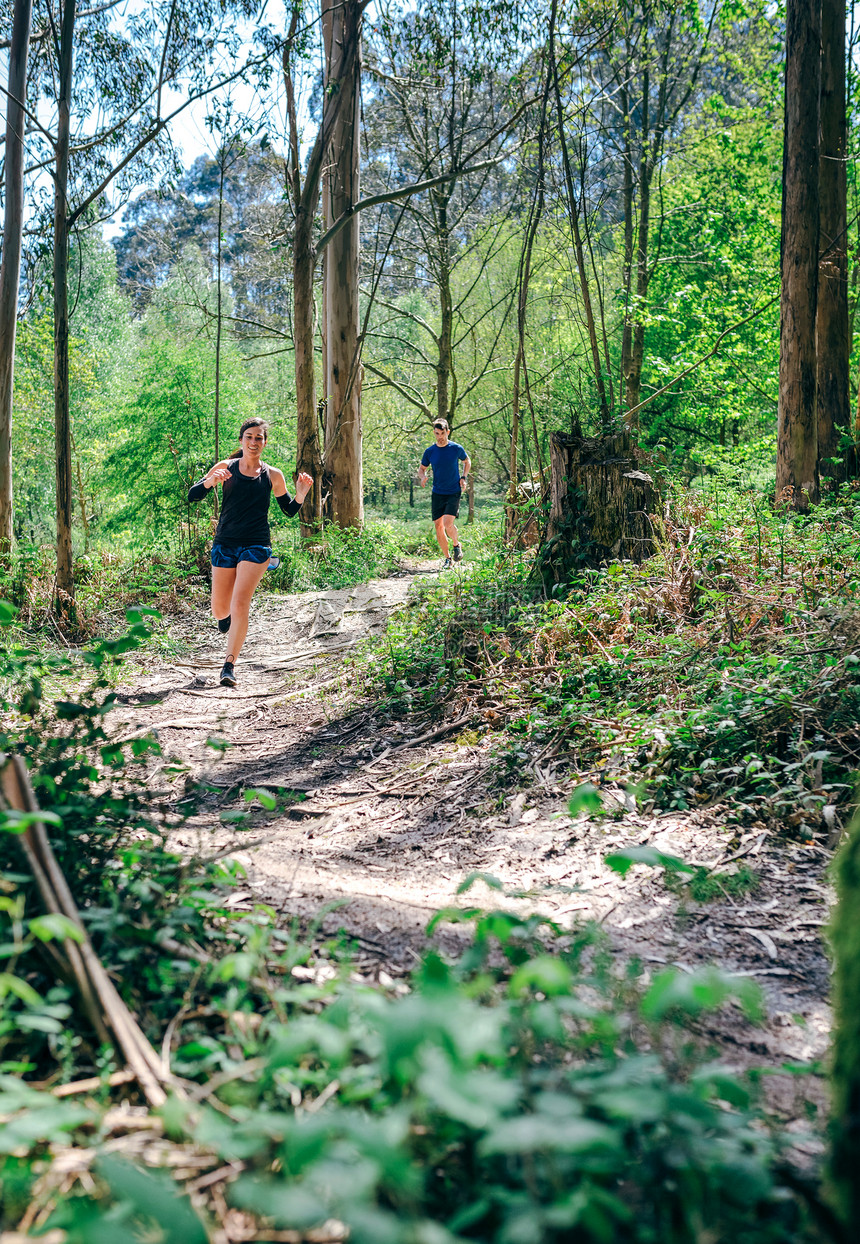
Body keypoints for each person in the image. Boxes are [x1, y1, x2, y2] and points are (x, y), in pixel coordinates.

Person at [188, 417, 312, 687]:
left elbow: (289, 510)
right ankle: (226, 619)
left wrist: (300, 494)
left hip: (256, 545)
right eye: (249, 437)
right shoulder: (226, 467)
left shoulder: (273, 475)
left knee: (240, 601)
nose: (254, 442)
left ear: (265, 443)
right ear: (241, 440)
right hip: (225, 543)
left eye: (259, 438)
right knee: (220, 608)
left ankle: (229, 666)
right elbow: (192, 495)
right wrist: (210, 482)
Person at [418, 419, 471, 568]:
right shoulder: (430, 451)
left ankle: (456, 544)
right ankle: (448, 559)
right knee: (438, 526)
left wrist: (464, 477)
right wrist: (423, 477)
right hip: (437, 492)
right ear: (434, 433)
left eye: (442, 433)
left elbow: (467, 461)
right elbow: (422, 468)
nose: (440, 437)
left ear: (447, 432)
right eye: (437, 433)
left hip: (453, 491)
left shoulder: (456, 448)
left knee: (448, 523)